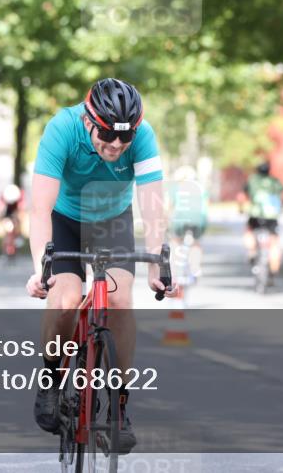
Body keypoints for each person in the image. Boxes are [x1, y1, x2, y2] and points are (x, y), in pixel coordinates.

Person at [25, 78, 177, 454]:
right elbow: (40, 207)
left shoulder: (143, 136)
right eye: (107, 135)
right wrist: (39, 268)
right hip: (65, 220)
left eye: (123, 140)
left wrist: (158, 261)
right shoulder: (62, 128)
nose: (115, 146)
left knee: (120, 300)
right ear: (89, 121)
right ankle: (50, 378)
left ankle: (119, 406)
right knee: (66, 298)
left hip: (113, 220)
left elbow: (153, 202)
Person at [238, 161, 283, 277]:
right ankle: (274, 268)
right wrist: (281, 209)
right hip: (272, 216)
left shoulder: (252, 180)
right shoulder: (275, 182)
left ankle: (252, 252)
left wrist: (241, 209)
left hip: (255, 215)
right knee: (274, 242)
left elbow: (242, 197)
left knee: (249, 232)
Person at [167, 165, 207, 288]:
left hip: (180, 220)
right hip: (198, 220)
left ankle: (174, 271)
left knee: (175, 241)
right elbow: (205, 206)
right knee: (195, 243)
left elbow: (169, 207)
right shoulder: (201, 188)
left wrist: (166, 222)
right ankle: (195, 268)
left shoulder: (175, 188)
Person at [0, 184, 24, 261]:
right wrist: (3, 219)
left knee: (17, 226)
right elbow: (0, 211)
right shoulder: (3, 197)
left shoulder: (19, 197)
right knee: (7, 231)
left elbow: (20, 211)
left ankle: (18, 239)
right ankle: (5, 251)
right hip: (7, 214)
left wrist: (18, 220)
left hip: (14, 214)